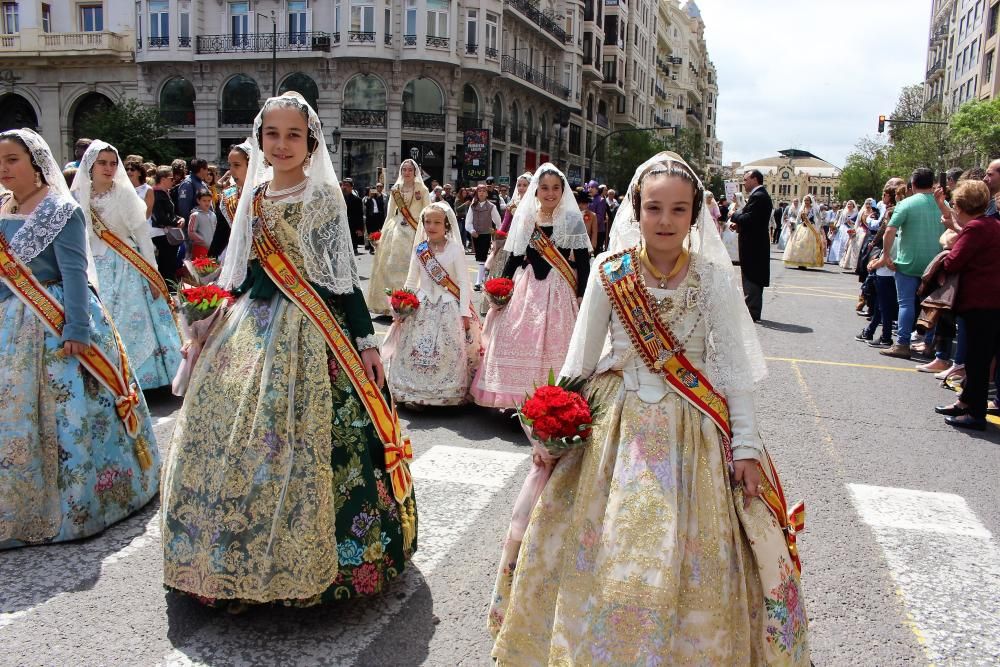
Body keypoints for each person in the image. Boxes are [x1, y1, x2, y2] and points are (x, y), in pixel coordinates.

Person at [488, 152, 809, 664]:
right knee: (609, 547)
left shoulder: (712, 279)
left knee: (694, 555)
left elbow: (733, 376)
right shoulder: (608, 272)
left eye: (678, 210)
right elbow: (580, 361)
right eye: (654, 207)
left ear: (695, 214)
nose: (665, 220)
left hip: (696, 428)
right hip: (617, 425)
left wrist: (745, 445)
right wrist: (552, 431)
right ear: (636, 210)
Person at [160, 92, 417, 608]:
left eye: (293, 135)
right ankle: (228, 554)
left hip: (316, 329)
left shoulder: (324, 199)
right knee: (233, 436)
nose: (281, 144)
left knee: (319, 440)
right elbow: (244, 274)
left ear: (311, 141)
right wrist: (210, 316)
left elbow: (342, 280)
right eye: (272, 135)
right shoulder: (250, 199)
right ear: (260, 141)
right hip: (252, 326)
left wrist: (364, 341)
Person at [0, 128, 159, 550]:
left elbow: (74, 272)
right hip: (10, 324)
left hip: (55, 323)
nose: (3, 168)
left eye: (11, 160)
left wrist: (76, 328)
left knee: (66, 415)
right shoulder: (2, 208)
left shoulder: (61, 210)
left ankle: (77, 503)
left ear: (36, 165)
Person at [470, 163, 592, 409]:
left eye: (555, 188)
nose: (550, 193)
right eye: (544, 188)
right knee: (514, 334)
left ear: (562, 190)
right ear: (536, 191)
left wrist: (582, 296)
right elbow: (514, 257)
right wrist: (500, 287)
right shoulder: (527, 218)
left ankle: (553, 400)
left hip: (560, 288)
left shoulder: (572, 220)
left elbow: (582, 262)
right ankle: (516, 398)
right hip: (527, 287)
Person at [70, 141, 183, 390]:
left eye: (112, 163)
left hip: (126, 263)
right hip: (91, 264)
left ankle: (139, 377)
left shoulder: (124, 193)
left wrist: (153, 274)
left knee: (131, 318)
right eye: (102, 163)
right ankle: (105, 374)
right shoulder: (77, 196)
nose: (108, 168)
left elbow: (142, 235)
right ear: (90, 165)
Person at [382, 202, 481, 406]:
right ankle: (412, 392)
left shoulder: (454, 249)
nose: (431, 226)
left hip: (449, 306)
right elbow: (411, 280)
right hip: (423, 304)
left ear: (447, 224)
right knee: (416, 348)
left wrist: (464, 313)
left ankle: (447, 392)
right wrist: (403, 305)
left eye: (437, 222)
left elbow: (463, 282)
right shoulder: (420, 250)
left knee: (447, 350)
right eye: (427, 222)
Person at [933, 180, 1000, 431]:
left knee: (977, 360)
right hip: (991, 301)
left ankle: (975, 413)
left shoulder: (976, 229)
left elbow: (953, 262)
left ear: (961, 205)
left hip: (981, 302)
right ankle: (965, 402)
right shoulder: (991, 224)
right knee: (980, 357)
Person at [879, 168, 944, 359]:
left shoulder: (906, 204)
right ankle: (928, 344)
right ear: (932, 184)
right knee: (932, 306)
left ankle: (902, 344)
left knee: (906, 304)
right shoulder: (944, 204)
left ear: (913, 184)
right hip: (935, 263)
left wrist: (885, 256)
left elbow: (890, 231)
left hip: (908, 262)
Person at [367, 159, 429, 316]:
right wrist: (382, 234)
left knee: (412, 267)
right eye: (404, 170)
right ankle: (390, 304)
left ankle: (410, 301)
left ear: (415, 172)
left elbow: (427, 212)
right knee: (389, 266)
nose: (407, 172)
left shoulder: (422, 189)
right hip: (395, 230)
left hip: (415, 230)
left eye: (410, 170)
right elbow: (389, 213)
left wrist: (427, 232)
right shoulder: (395, 189)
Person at [730, 168, 773, 322]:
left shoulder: (759, 196)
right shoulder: (758, 196)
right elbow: (753, 220)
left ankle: (751, 312)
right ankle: (751, 310)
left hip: (754, 247)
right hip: (754, 245)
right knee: (750, 277)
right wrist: (739, 225)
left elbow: (750, 219)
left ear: (755, 179)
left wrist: (733, 216)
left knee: (752, 277)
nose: (744, 182)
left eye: (746, 179)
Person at [212, 140, 250, 257]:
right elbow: (221, 234)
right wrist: (209, 261)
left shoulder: (266, 195)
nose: (231, 171)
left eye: (237, 165)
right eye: (230, 165)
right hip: (234, 258)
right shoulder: (228, 196)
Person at [465, 183, 502, 290]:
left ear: (486, 194)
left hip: (486, 234)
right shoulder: (473, 206)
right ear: (477, 193)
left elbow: (498, 222)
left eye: (483, 191)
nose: (481, 193)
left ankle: (478, 282)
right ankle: (483, 278)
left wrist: (498, 234)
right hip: (476, 235)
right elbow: (468, 222)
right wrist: (471, 230)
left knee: (482, 257)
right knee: (480, 258)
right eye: (479, 191)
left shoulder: (491, 207)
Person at [149, 165, 182, 281]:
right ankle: (168, 291)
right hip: (161, 234)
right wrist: (177, 222)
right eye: (171, 178)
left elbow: (168, 213)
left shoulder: (163, 193)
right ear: (163, 179)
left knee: (168, 264)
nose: (173, 181)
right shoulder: (157, 194)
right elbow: (160, 218)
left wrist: (178, 218)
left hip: (165, 234)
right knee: (167, 265)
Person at [782, 194, 824, 268]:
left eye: (807, 200)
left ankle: (806, 262)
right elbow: (798, 219)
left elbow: (819, 219)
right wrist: (792, 224)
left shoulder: (814, 209)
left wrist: (817, 227)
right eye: (805, 200)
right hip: (801, 227)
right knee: (799, 244)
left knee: (808, 246)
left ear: (810, 201)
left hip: (810, 228)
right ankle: (799, 261)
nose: (806, 201)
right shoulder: (802, 209)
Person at [839, 199, 870, 271]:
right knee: (855, 248)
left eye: (870, 204)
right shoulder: (862, 212)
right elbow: (857, 223)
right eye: (867, 203)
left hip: (869, 232)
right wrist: (854, 231)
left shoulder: (874, 213)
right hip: (861, 231)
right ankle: (855, 265)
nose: (868, 205)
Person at [186, 189, 217, 259]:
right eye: (204, 200)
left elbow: (215, 229)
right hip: (200, 248)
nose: (207, 203)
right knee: (200, 268)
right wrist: (203, 240)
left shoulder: (213, 215)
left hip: (212, 248)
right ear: (198, 201)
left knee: (211, 268)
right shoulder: (195, 215)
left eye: (209, 200)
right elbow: (191, 232)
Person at [828, 199, 857, 264]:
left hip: (850, 228)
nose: (849, 205)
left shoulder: (855, 213)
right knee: (839, 243)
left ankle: (845, 259)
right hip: (843, 228)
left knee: (846, 243)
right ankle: (837, 258)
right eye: (848, 204)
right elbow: (840, 221)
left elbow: (856, 222)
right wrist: (836, 228)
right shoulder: (844, 212)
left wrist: (851, 222)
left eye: (851, 204)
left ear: (853, 206)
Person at [341, 178, 366, 255]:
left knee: (352, 246)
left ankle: (354, 250)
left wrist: (359, 229)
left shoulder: (357, 200)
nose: (344, 187)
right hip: (341, 225)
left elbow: (359, 215)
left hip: (353, 226)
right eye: (343, 185)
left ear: (351, 187)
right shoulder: (339, 198)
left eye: (347, 186)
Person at [363, 186, 385, 253]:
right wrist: (370, 196)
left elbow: (382, 204)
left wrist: (379, 195)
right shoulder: (367, 199)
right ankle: (371, 248)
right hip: (370, 218)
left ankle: (377, 246)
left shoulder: (377, 198)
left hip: (377, 217)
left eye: (373, 191)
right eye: (371, 191)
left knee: (377, 231)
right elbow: (366, 204)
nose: (372, 192)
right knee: (370, 232)